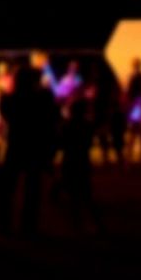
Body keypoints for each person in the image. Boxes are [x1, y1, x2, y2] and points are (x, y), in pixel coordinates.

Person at [0, 58, 58, 237]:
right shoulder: (43, 99)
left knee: (8, 189)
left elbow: (7, 113)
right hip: (34, 147)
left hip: (16, 145)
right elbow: (51, 122)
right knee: (32, 189)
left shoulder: (10, 99)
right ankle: (28, 226)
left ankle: (6, 224)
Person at [57, 98, 100, 233]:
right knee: (85, 194)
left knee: (74, 195)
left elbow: (61, 144)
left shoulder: (68, 126)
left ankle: (77, 223)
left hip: (70, 160)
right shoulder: (87, 125)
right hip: (82, 160)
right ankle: (91, 222)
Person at [93, 67, 125, 165]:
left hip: (104, 113)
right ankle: (115, 158)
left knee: (106, 137)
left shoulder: (100, 87)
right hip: (108, 113)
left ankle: (107, 157)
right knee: (113, 137)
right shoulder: (108, 85)